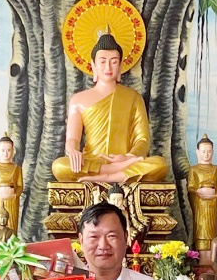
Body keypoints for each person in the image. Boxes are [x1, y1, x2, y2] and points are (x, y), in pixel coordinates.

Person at [51, 31, 169, 183]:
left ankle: (109, 176)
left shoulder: (133, 97)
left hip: (125, 162)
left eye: (113, 62)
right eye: (102, 61)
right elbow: (73, 138)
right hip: (93, 162)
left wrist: (128, 157)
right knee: (60, 166)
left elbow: (143, 139)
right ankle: (113, 172)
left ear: (120, 66)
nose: (108, 67)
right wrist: (73, 150)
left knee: (160, 164)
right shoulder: (78, 100)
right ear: (93, 65)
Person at [186, 135, 217, 255]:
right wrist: (198, 191)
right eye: (203, 151)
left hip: (212, 205)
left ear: (213, 152)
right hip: (199, 205)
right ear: (197, 152)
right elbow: (190, 187)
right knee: (200, 230)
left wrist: (214, 194)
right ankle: (200, 257)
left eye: (209, 151)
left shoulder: (216, 169)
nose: (206, 154)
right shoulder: (194, 170)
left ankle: (212, 258)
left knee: (211, 230)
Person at [0, 135, 24, 234]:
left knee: (11, 227)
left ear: (13, 151)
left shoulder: (17, 168)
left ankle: (12, 242)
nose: (6, 153)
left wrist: (14, 195)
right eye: (3, 150)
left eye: (8, 150)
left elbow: (20, 186)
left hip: (12, 202)